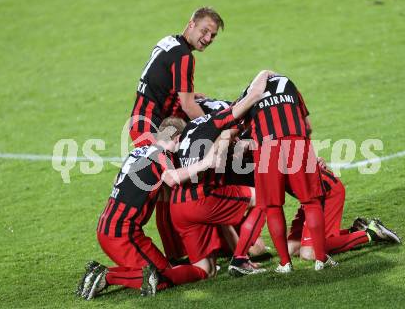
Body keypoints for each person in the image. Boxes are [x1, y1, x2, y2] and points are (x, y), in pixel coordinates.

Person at [76, 117, 219, 300]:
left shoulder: (138, 152)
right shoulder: (162, 155)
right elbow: (171, 178)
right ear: (176, 138)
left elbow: (117, 181)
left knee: (163, 271)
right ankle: (106, 275)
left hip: (108, 226)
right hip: (123, 233)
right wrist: (205, 163)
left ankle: (101, 273)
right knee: (160, 278)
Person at [166, 70, 274, 288]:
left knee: (205, 270)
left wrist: (230, 143)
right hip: (202, 200)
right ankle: (241, 260)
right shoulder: (218, 121)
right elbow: (252, 96)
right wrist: (265, 74)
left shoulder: (188, 132)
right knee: (266, 196)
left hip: (178, 206)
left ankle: (157, 276)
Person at [228, 74, 334, 276]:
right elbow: (308, 125)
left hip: (266, 147)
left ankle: (285, 263)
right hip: (296, 142)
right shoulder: (289, 83)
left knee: (272, 207)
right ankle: (321, 259)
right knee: (311, 201)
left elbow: (237, 128)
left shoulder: (248, 92)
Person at [129, 7, 224, 147]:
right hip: (152, 128)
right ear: (191, 24)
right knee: (173, 166)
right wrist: (212, 131)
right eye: (204, 31)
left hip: (139, 120)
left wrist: (182, 95)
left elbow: (157, 78)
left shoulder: (169, 41)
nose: (208, 39)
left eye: (213, 35)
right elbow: (188, 107)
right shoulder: (184, 56)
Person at [287, 159, 401, 260]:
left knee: (309, 253)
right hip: (309, 194)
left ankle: (372, 232)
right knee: (293, 249)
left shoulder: (271, 159)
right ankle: (353, 231)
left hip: (326, 193)